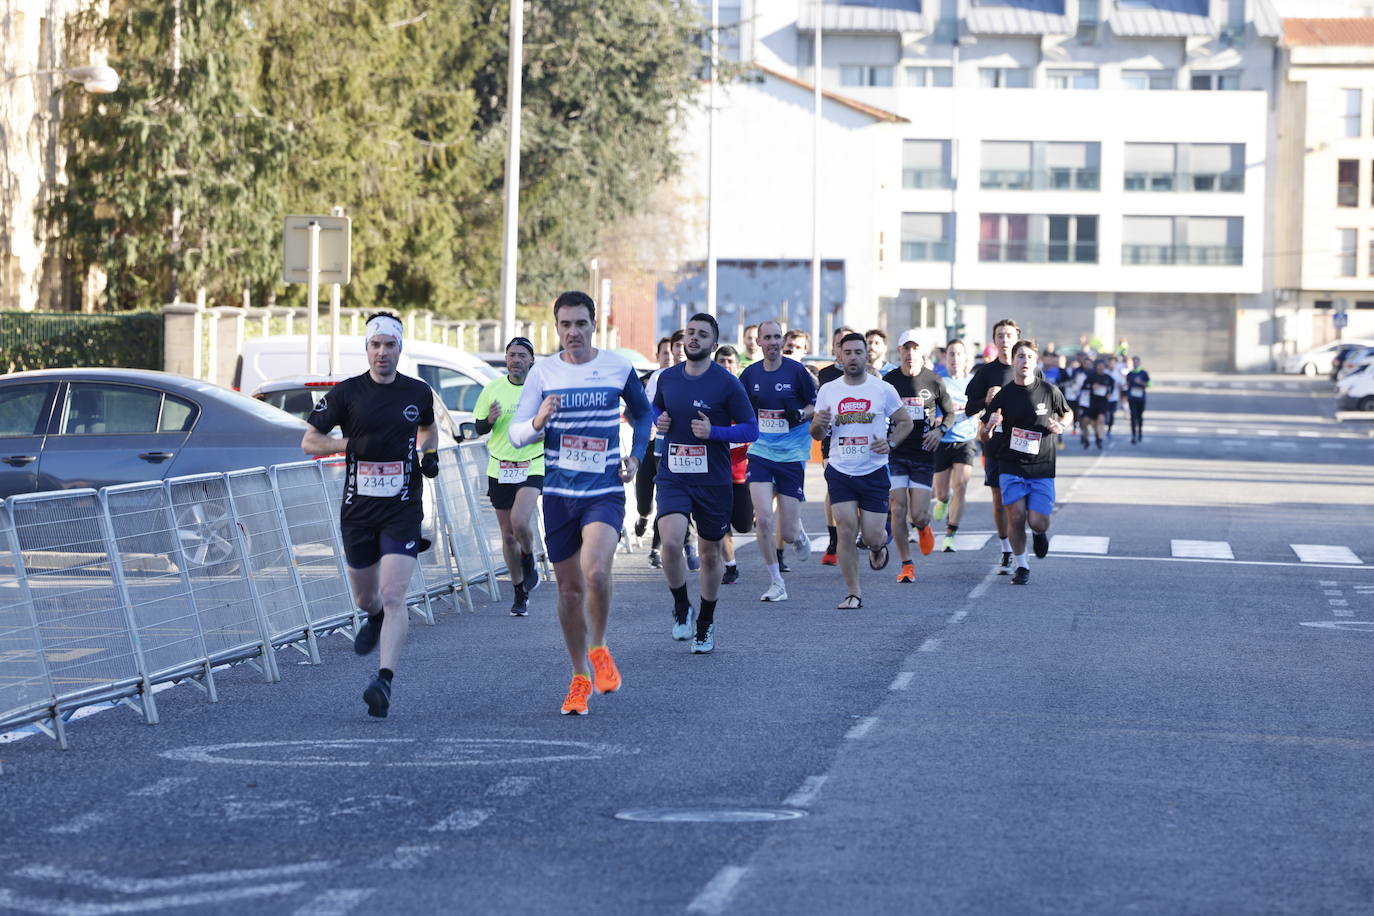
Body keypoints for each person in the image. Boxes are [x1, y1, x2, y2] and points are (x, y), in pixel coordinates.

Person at [509, 291, 652, 716]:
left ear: (594, 326)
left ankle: (599, 646)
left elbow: (642, 415)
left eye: (581, 324)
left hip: (604, 491)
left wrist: (636, 457)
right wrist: (539, 421)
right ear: (556, 328)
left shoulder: (617, 367)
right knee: (570, 592)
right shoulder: (543, 373)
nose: (573, 332)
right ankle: (579, 677)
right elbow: (518, 433)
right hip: (559, 495)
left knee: (595, 571)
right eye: (565, 325)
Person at [301, 313, 439, 719]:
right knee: (366, 596)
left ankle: (384, 680)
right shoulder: (347, 393)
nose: (382, 352)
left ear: (400, 349)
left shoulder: (417, 391)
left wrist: (427, 455)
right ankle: (373, 616)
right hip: (358, 511)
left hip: (402, 506)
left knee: (395, 594)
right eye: (375, 345)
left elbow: (428, 431)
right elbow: (308, 441)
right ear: (367, 349)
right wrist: (349, 442)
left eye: (390, 345)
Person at [651, 314, 758, 653]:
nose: (693, 338)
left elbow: (751, 429)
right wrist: (660, 420)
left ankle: (706, 622)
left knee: (710, 555)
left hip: (712, 479)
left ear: (714, 344)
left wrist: (715, 433)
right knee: (670, 543)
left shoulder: (726, 383)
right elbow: (654, 410)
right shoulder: (668, 378)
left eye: (702, 334)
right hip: (674, 474)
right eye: (690, 333)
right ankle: (681, 606)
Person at [811, 332, 912, 609]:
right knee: (845, 529)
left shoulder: (882, 389)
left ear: (866, 355)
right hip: (840, 469)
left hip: (873, 471)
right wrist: (818, 423)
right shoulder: (829, 390)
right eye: (848, 352)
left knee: (871, 537)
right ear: (839, 357)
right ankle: (853, 592)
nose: (853, 357)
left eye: (858, 352)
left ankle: (879, 546)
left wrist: (890, 443)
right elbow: (818, 433)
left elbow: (905, 422)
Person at [982, 339, 1072, 585]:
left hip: (1042, 466)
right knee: (1016, 517)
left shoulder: (1050, 391)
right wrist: (989, 427)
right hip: (1011, 464)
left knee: (1037, 521)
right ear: (1013, 361)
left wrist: (1061, 425)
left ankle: (1040, 533)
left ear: (1036, 362)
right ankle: (1022, 565)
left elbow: (1068, 412)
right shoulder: (1004, 396)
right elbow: (985, 434)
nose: (1024, 361)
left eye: (1029, 357)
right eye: (1020, 356)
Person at [740, 319, 817, 602]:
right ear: (758, 342)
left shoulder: (796, 371)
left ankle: (798, 535)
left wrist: (800, 414)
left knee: (789, 530)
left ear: (782, 341)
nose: (772, 342)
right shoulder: (749, 374)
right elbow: (737, 405)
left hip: (792, 453)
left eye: (776, 337)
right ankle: (776, 582)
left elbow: (814, 405)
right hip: (761, 450)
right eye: (767, 337)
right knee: (762, 519)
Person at [472, 336, 545, 617]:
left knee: (519, 522)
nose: (515, 360)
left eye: (521, 355)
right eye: (511, 355)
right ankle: (519, 592)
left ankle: (529, 559)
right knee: (507, 537)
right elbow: (478, 427)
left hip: (532, 463)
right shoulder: (492, 389)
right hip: (499, 467)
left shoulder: (539, 389)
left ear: (531, 360)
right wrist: (488, 421)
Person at [883, 332, 953, 583]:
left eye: (915, 348)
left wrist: (939, 430)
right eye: (906, 348)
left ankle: (924, 526)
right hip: (897, 453)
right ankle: (906, 564)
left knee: (919, 514)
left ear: (922, 351)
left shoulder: (933, 380)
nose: (910, 353)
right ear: (899, 351)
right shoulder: (889, 381)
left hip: (923, 454)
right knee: (898, 507)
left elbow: (950, 413)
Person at [963, 318, 1024, 574]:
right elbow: (969, 408)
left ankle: (1024, 542)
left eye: (1009, 335)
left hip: (1023, 444)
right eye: (1000, 335)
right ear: (995, 340)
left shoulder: (1029, 368)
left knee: (1021, 502)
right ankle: (1006, 549)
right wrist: (985, 400)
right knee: (999, 500)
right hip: (995, 442)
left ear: (1017, 337)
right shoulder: (986, 372)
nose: (1005, 339)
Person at [638, 330, 697, 571]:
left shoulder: (700, 375)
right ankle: (644, 518)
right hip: (659, 445)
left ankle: (682, 544)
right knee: (650, 499)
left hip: (689, 447)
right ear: (671, 350)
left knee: (673, 495)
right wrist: (655, 424)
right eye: (676, 346)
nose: (680, 350)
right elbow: (648, 408)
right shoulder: (660, 377)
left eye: (685, 345)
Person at [712, 346, 755, 585]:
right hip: (714, 471)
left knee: (743, 524)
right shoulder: (706, 393)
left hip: (740, 472)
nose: (726, 365)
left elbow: (752, 428)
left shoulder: (743, 395)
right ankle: (731, 566)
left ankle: (755, 510)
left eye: (730, 361)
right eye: (721, 361)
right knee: (719, 522)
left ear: (737, 366)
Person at [932, 339, 978, 552]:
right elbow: (931, 411)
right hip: (942, 441)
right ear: (945, 358)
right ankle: (943, 500)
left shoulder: (974, 382)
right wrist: (937, 420)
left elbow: (980, 408)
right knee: (941, 492)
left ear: (966, 358)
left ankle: (950, 533)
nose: (955, 358)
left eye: (959, 354)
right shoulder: (938, 382)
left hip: (965, 440)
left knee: (960, 486)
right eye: (951, 354)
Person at [817, 326, 857, 565]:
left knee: (857, 491)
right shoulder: (825, 376)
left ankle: (855, 533)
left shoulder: (867, 375)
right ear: (834, 349)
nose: (845, 349)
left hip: (860, 441)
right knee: (833, 487)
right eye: (840, 343)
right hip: (832, 441)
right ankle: (834, 541)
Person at [632, 336, 673, 555]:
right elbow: (634, 410)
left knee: (665, 495)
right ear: (657, 356)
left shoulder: (682, 381)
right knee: (645, 499)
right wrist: (643, 427)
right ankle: (643, 516)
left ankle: (656, 549)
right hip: (649, 443)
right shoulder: (648, 380)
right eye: (664, 353)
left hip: (669, 446)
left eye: (673, 352)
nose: (669, 357)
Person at [1082, 358, 1115, 450]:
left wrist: (1109, 393)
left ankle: (1100, 440)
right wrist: (1092, 387)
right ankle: (1097, 435)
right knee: (1093, 423)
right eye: (1099, 367)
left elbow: (1112, 385)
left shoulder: (1107, 377)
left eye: (1102, 367)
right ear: (1096, 368)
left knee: (1101, 420)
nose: (1101, 369)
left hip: (1103, 402)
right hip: (1093, 402)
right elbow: (1085, 386)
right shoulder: (1092, 377)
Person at [1125, 356, 1150, 444]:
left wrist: (1141, 383)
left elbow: (1149, 384)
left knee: (1139, 417)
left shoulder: (1144, 373)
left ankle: (1140, 432)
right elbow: (1126, 385)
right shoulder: (1130, 374)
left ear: (1139, 363)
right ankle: (1133, 435)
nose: (1135, 364)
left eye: (1137, 362)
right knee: (1133, 416)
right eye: (1134, 362)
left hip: (1141, 399)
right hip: (1132, 398)